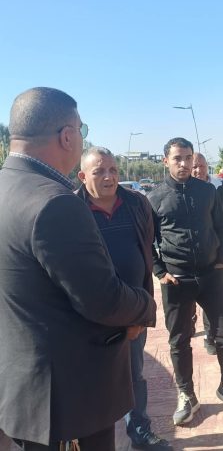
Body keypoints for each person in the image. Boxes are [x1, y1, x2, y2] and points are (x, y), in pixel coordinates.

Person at [0, 87, 156, 451]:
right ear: (67, 137)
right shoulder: (55, 202)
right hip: (67, 399)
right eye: (82, 131)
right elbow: (102, 300)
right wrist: (145, 307)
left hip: (22, 390)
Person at [76, 147, 172, 451]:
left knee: (133, 374)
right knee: (93, 379)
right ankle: (92, 437)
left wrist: (141, 314)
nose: (109, 177)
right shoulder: (71, 209)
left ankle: (140, 431)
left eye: (113, 170)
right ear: (82, 176)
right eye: (99, 171)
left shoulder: (136, 204)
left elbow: (146, 250)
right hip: (91, 315)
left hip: (132, 308)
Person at [148, 137, 223, 426]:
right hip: (176, 280)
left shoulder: (207, 192)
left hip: (211, 276)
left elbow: (220, 228)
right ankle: (186, 394)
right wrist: (159, 271)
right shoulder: (154, 198)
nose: (184, 163)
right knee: (179, 340)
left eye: (188, 157)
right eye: (177, 158)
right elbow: (147, 240)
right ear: (165, 161)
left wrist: (221, 261)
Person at [192, 152, 223, 355]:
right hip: (188, 258)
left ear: (207, 166)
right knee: (189, 297)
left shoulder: (218, 188)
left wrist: (220, 256)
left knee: (211, 299)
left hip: (213, 255)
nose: (198, 170)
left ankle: (210, 336)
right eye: (194, 166)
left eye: (201, 165)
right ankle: (191, 319)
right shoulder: (185, 189)